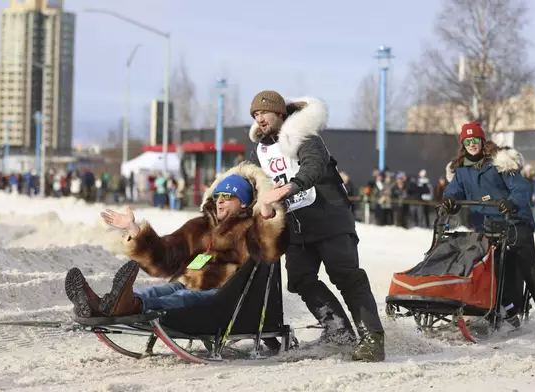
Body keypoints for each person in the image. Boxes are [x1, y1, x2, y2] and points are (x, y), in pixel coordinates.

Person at [245, 90, 385, 362]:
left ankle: (373, 340)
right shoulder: (260, 151)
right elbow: (250, 181)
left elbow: (314, 166)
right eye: (255, 115)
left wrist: (289, 188)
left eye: (264, 113)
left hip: (329, 218)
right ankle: (339, 332)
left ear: (280, 113)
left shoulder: (305, 135)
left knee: (347, 277)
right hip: (296, 228)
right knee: (300, 279)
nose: (259, 119)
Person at [64, 163, 287, 320]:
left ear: (245, 203)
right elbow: (168, 254)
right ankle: (100, 305)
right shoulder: (199, 226)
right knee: (156, 292)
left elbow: (268, 246)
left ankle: (127, 306)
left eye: (229, 197)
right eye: (218, 196)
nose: (220, 202)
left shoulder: (251, 228)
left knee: (181, 297)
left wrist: (266, 210)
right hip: (187, 281)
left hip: (223, 293)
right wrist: (134, 230)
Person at [441, 121, 535, 341]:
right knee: (485, 269)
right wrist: (450, 200)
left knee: (530, 273)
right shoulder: (461, 172)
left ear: (482, 141)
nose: (472, 145)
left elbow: (520, 187)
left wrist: (511, 202)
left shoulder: (499, 163)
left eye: (475, 140)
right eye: (467, 141)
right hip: (488, 227)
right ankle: (498, 313)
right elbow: (453, 191)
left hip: (516, 223)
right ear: (463, 144)